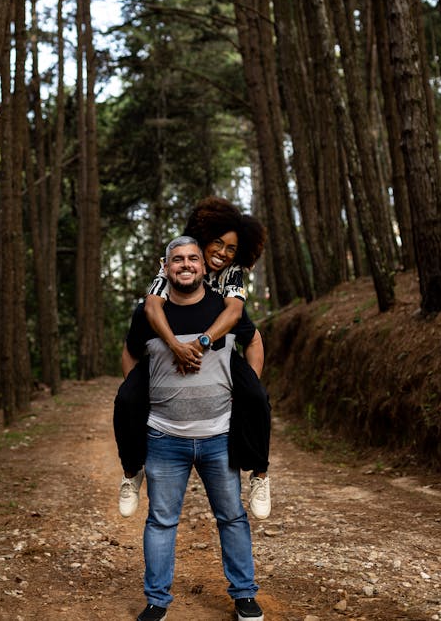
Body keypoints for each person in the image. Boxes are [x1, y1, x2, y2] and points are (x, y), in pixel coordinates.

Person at [124, 236, 264, 621]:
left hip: (219, 434)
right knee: (161, 521)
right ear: (165, 268)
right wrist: (138, 398)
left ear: (204, 267)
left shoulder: (226, 308)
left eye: (192, 259)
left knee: (232, 517)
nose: (185, 265)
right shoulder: (149, 313)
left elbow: (254, 343)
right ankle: (156, 600)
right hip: (164, 437)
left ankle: (244, 595)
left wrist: (248, 391)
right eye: (177, 260)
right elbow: (130, 354)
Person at [114, 197, 271, 520]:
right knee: (127, 399)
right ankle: (132, 471)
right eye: (218, 243)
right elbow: (152, 307)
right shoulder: (179, 263)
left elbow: (235, 313)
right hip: (169, 346)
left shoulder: (234, 272)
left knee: (256, 397)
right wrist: (174, 346)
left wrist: (199, 345)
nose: (223, 253)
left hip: (214, 348)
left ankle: (260, 474)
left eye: (231, 248)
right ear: (204, 237)